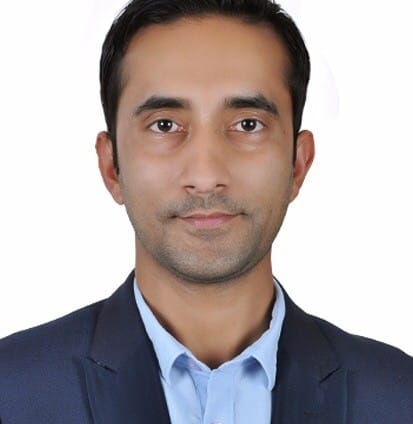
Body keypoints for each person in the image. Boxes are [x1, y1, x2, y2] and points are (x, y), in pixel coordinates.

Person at [0, 0, 412, 422]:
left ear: (298, 164)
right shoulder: (10, 392)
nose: (206, 175)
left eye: (248, 124)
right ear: (111, 166)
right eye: (164, 125)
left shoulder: (399, 399)